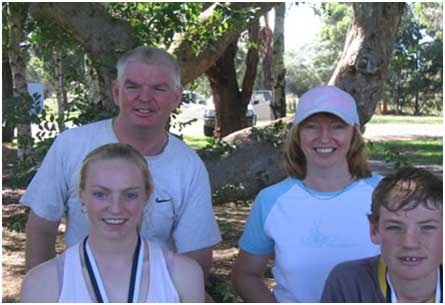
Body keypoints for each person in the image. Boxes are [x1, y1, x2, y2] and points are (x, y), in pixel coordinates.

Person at [20, 46, 221, 280]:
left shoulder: (188, 166)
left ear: (176, 97)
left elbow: (196, 255)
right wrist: (42, 291)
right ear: (116, 92)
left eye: (158, 88)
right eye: (133, 86)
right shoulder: (70, 145)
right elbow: (41, 229)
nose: (144, 97)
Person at [231, 85, 382, 302]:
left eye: (337, 127)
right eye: (311, 127)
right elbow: (245, 274)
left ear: (354, 134)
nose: (324, 137)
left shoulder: (386, 196)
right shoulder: (271, 200)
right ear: (297, 134)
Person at [21, 143, 205, 302]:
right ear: (82, 196)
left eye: (130, 195)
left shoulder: (183, 276)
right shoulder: (42, 283)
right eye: (100, 194)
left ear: (147, 197)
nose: (116, 208)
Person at [321, 167, 442, 303]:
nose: (409, 243)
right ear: (374, 231)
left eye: (427, 227)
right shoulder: (348, 283)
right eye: (394, 227)